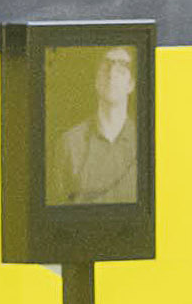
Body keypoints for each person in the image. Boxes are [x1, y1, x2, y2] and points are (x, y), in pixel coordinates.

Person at [46, 46, 142, 207]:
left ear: (131, 84)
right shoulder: (69, 143)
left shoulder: (146, 142)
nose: (111, 75)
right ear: (96, 80)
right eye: (106, 66)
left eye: (121, 69)